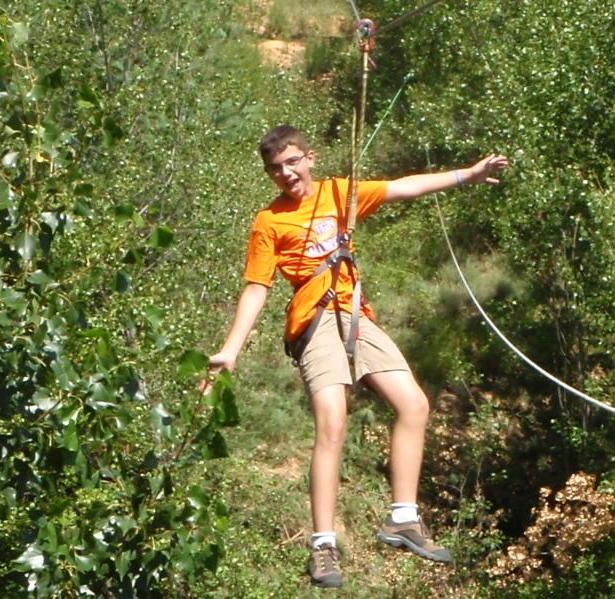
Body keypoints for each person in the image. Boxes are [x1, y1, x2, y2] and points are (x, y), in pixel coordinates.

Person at [201, 125, 508, 588]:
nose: (285, 173)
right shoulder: (269, 222)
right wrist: (230, 349)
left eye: (292, 162)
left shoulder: (339, 193)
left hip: (355, 313)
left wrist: (467, 174)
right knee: (333, 421)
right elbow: (257, 287)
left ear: (310, 157)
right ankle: (322, 543)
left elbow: (404, 187)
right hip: (315, 319)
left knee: (414, 404)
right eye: (275, 168)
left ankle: (402, 517)